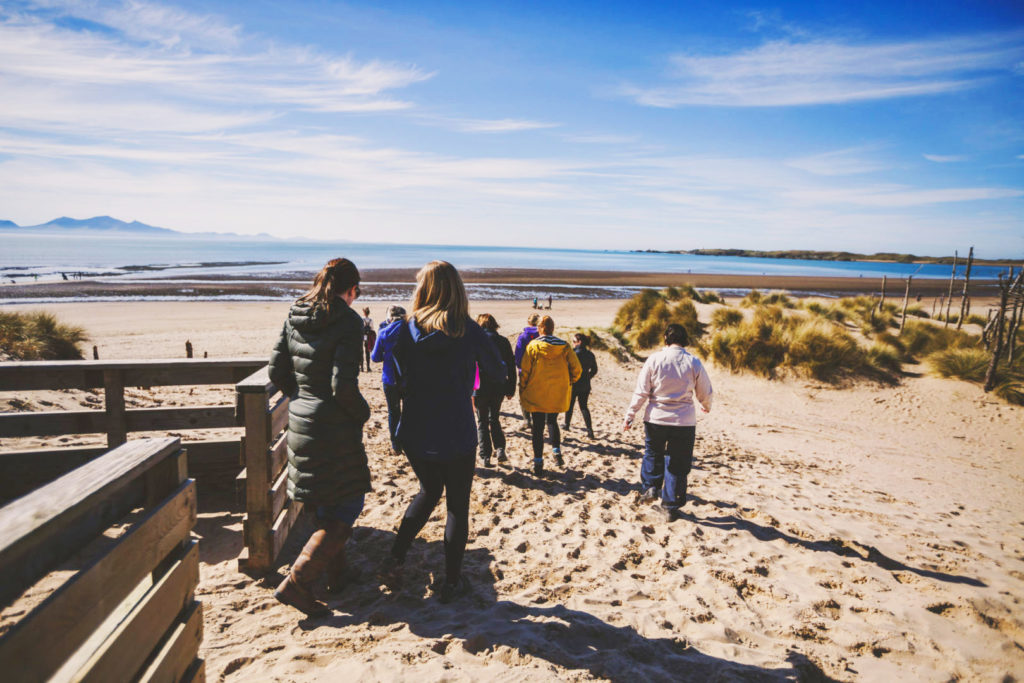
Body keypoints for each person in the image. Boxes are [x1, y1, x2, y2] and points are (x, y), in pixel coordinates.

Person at [380, 261, 504, 602]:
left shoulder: (404, 327)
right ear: (457, 290)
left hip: (416, 429)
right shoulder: (467, 329)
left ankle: (394, 557)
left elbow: (395, 371)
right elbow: (496, 370)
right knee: (456, 507)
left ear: (424, 290)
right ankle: (451, 581)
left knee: (428, 491)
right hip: (457, 430)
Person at [267, 258, 370, 617]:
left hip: (301, 421)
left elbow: (276, 369)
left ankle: (337, 574)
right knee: (347, 505)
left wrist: (303, 399)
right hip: (333, 428)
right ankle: (296, 583)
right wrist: (363, 413)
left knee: (326, 502)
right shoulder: (348, 321)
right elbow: (343, 386)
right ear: (352, 290)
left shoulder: (295, 312)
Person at [622, 323, 713, 522]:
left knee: (653, 453)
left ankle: (651, 487)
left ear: (666, 339)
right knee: (677, 462)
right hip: (683, 421)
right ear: (685, 340)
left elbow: (641, 391)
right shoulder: (693, 362)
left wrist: (630, 414)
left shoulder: (654, 359)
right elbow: (705, 390)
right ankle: (670, 506)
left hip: (656, 418)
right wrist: (706, 405)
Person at [520, 316, 581, 476]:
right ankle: (556, 453)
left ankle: (538, 462)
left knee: (538, 428)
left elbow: (525, 370)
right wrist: (570, 381)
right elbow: (577, 369)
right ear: (553, 328)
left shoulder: (533, 346)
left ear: (539, 329)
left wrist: (523, 387)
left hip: (537, 392)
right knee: (552, 422)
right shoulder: (565, 346)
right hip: (557, 392)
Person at [474, 313, 517, 467]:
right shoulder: (503, 341)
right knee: (495, 418)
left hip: (480, 387)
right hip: (499, 386)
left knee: (482, 422)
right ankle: (500, 449)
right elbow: (511, 367)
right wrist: (511, 388)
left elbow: (470, 366)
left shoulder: (476, 341)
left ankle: (485, 456)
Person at [371, 305, 407, 454]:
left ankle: (396, 445)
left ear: (390, 318)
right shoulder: (411, 331)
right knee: (409, 411)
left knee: (393, 412)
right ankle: (407, 441)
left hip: (390, 378)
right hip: (408, 379)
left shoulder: (384, 332)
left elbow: (375, 357)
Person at [564, 332, 598, 438]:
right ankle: (590, 430)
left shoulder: (573, 353)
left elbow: (567, 367)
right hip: (585, 384)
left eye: (574, 341)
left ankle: (566, 424)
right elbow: (595, 370)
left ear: (579, 342)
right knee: (584, 407)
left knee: (570, 405)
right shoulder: (590, 354)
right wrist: (588, 377)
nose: (573, 343)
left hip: (574, 383)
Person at [514, 313, 541, 427]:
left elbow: (518, 354)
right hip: (540, 369)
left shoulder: (523, 336)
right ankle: (538, 418)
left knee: (523, 395)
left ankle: (527, 420)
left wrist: (520, 366)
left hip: (525, 370)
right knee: (539, 394)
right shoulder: (541, 335)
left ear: (528, 322)